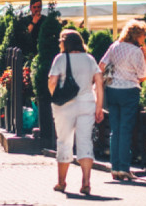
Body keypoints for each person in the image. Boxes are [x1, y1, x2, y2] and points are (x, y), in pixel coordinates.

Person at [49, 29, 104, 195]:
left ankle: (61, 182)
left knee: (64, 141)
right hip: (87, 104)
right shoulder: (90, 59)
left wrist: (56, 96)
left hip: (64, 106)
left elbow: (52, 81)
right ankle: (86, 182)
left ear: (65, 42)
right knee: (85, 141)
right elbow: (99, 83)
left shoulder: (60, 58)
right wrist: (99, 107)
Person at [99, 18, 146, 181]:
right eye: (144, 35)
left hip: (113, 90)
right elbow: (142, 76)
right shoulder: (137, 52)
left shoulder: (114, 47)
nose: (145, 38)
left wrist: (111, 75)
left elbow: (101, 65)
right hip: (129, 91)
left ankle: (115, 167)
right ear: (137, 35)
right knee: (126, 129)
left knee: (115, 129)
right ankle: (124, 168)